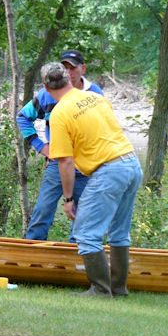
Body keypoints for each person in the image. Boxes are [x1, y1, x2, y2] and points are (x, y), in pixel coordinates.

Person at [42, 62, 143, 297]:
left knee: (86, 233)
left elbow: (65, 162)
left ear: (46, 88)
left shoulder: (59, 114)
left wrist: (68, 199)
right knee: (119, 232)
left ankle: (100, 289)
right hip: (131, 163)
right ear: (69, 79)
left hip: (109, 170)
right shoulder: (96, 98)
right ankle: (118, 288)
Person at [16, 50, 104, 241]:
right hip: (58, 162)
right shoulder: (46, 95)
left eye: (73, 67)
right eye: (65, 67)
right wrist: (42, 147)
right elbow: (23, 117)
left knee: (82, 213)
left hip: (85, 164)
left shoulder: (95, 93)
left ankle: (76, 253)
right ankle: (31, 250)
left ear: (83, 69)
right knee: (43, 209)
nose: (69, 72)